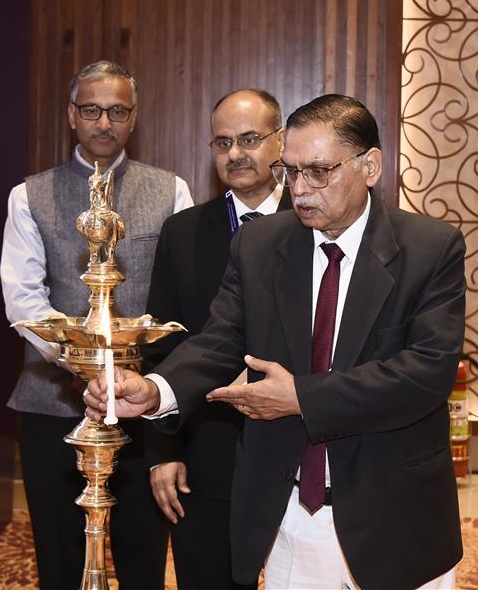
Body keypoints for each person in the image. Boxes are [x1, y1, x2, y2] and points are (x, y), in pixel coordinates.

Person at [84, 94, 465, 590]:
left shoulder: (430, 248)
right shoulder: (260, 244)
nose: (301, 190)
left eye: (319, 172)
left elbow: (426, 372)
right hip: (291, 510)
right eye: (291, 171)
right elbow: (220, 339)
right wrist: (159, 389)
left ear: (370, 165)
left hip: (393, 508)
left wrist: (301, 398)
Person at [1, 60, 193, 590]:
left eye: (117, 111)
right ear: (72, 115)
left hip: (143, 405)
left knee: (142, 552)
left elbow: (181, 294)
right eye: (92, 110)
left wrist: (133, 379)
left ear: (133, 118)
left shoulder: (170, 191)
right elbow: (22, 300)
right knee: (60, 556)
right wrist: (78, 363)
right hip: (53, 402)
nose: (104, 122)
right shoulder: (29, 195)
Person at [143, 88, 291, 590]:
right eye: (222, 141)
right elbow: (162, 347)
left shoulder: (317, 219)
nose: (235, 153)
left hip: (307, 446)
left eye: (249, 138)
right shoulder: (183, 232)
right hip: (208, 447)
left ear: (281, 141)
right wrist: (164, 450)